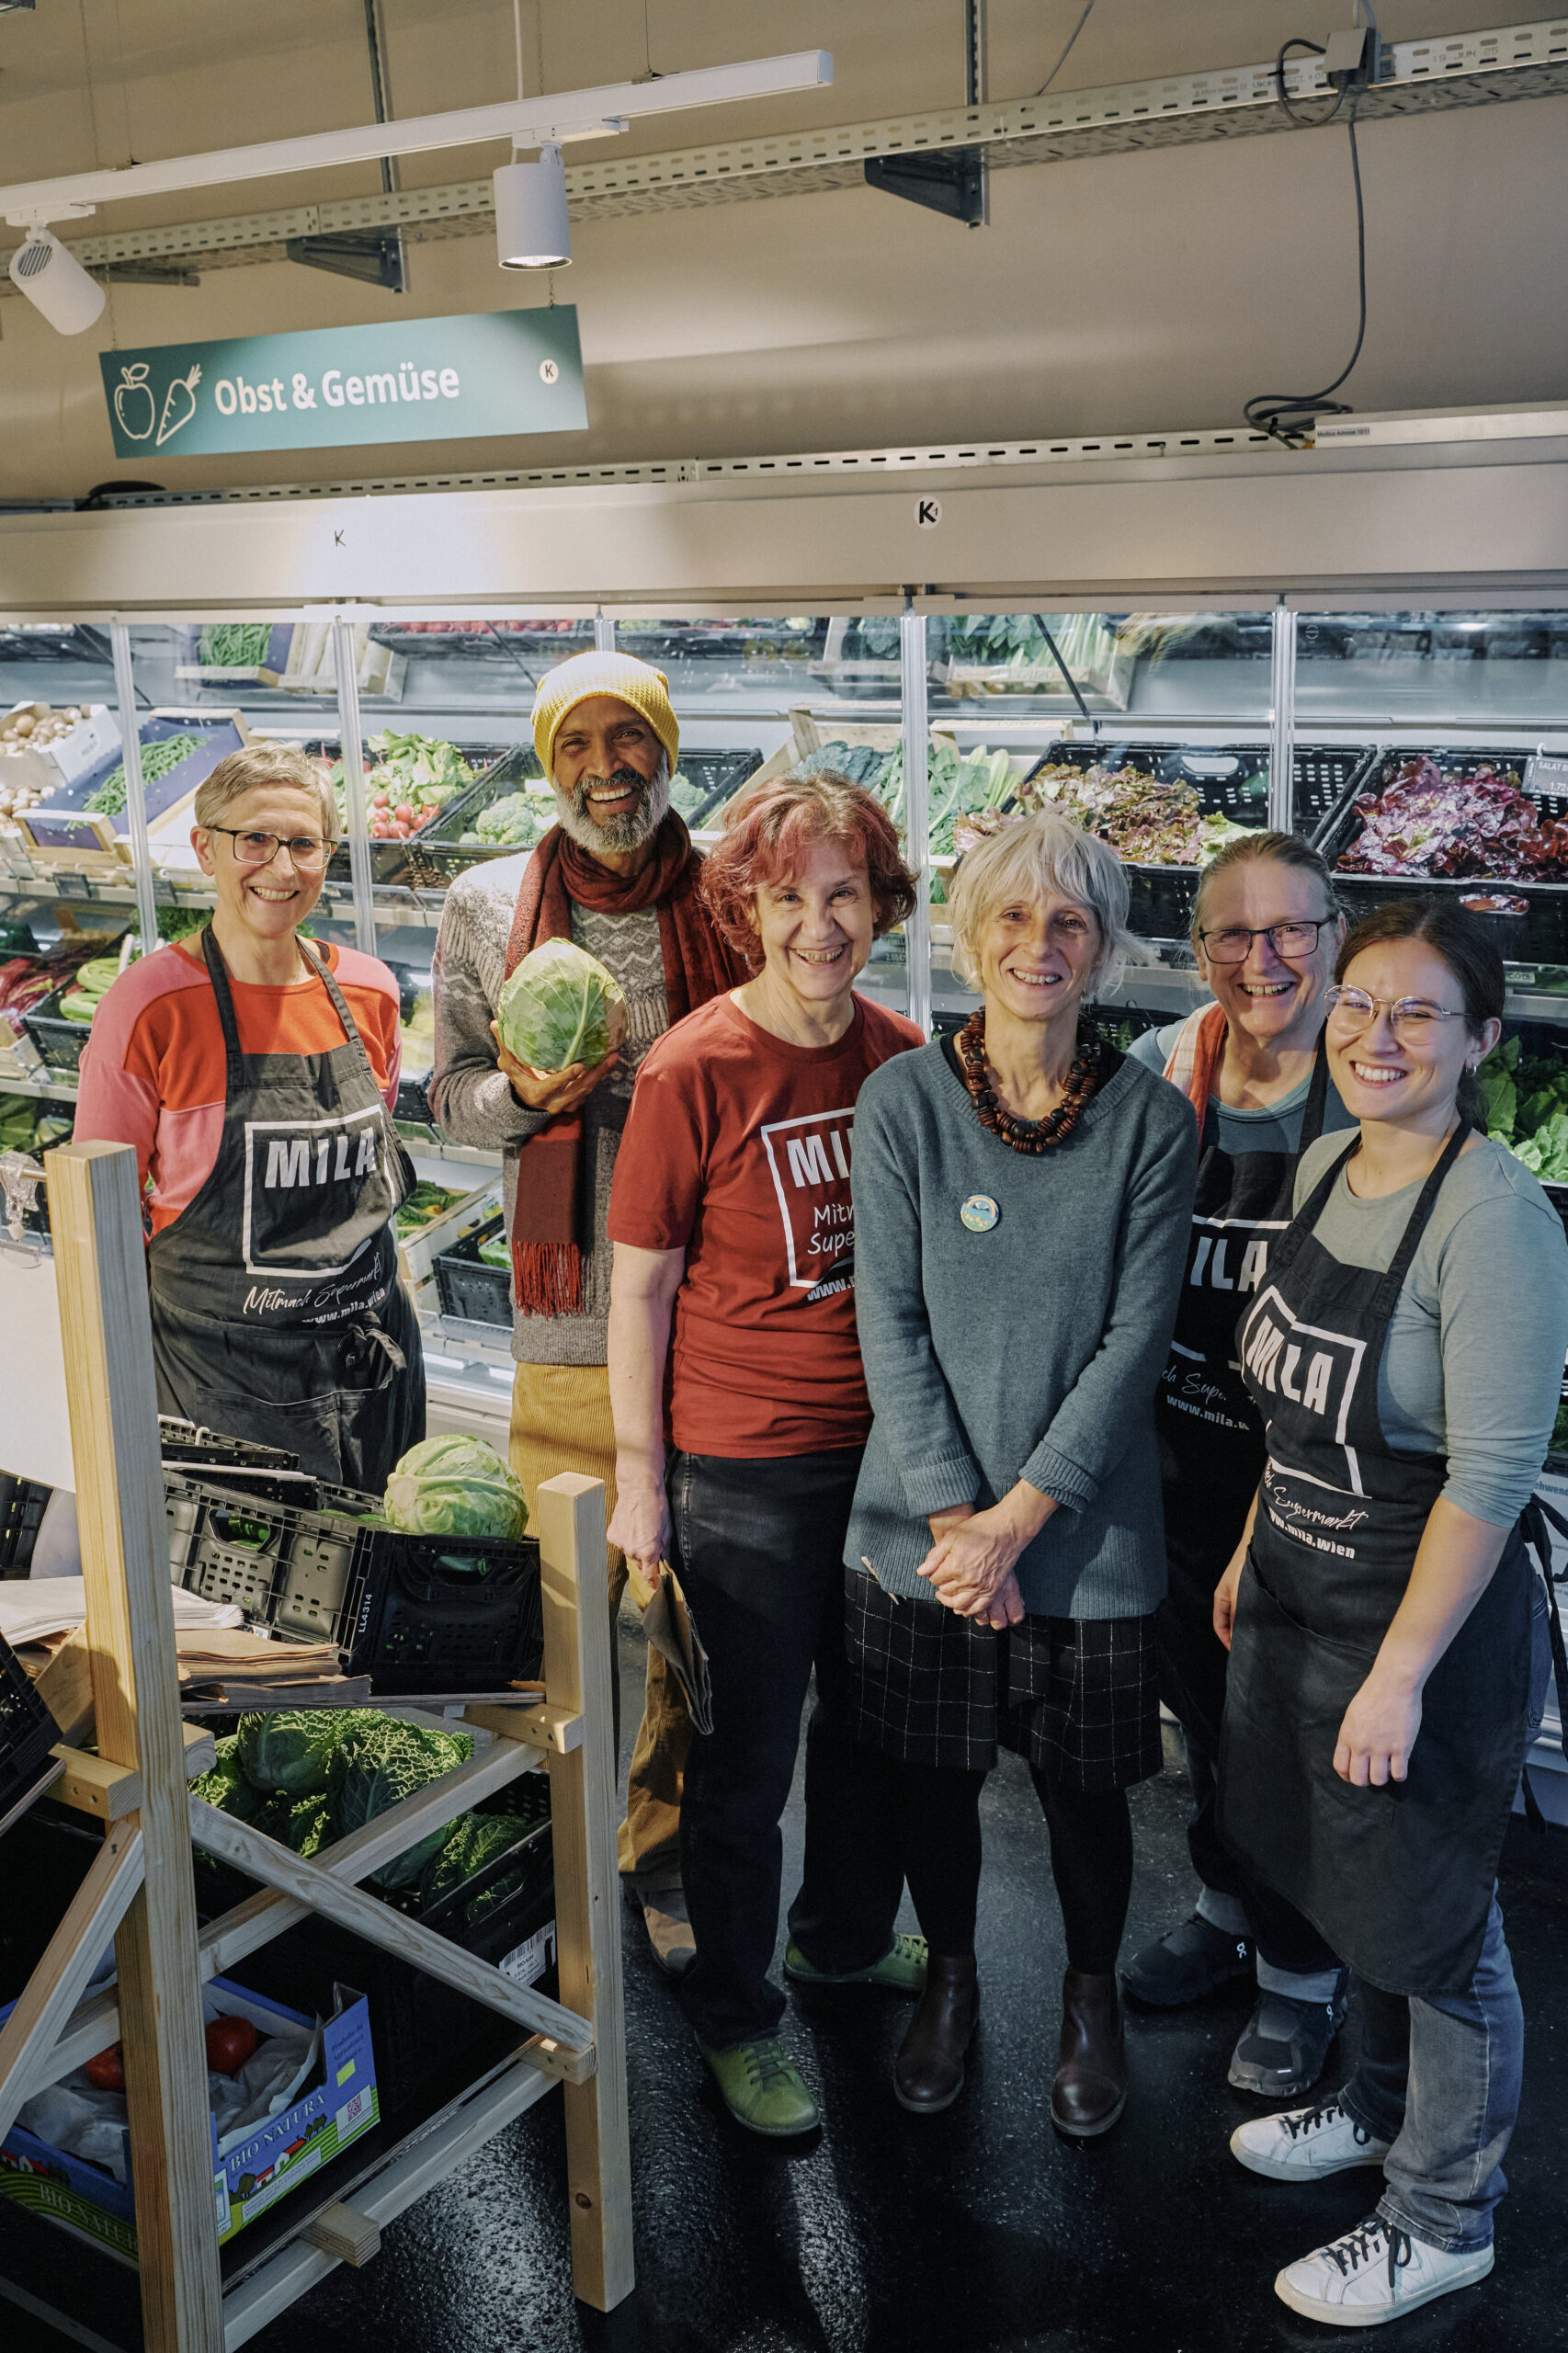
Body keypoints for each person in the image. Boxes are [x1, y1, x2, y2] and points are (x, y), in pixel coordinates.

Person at [1217, 898, 1568, 2327]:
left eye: (1416, 1012)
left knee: (1436, 1917)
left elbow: (1488, 1476)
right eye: (1356, 1004)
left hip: (1420, 1625)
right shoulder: (1317, 1167)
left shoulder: (1495, 1220)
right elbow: (1291, 1417)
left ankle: (1443, 2212)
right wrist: (1249, 1547)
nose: (1373, 1035)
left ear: (1480, 1038)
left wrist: (1400, 1674)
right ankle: (1371, 2109)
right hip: (1305, 1591)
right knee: (1339, 1876)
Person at [842, 811, 1197, 2127]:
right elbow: (889, 1320)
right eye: (1009, 915)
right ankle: (952, 1982)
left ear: (1102, 951)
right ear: (965, 930)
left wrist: (1016, 1524)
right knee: (930, 1781)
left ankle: (1086, 1997)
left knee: (1086, 1795)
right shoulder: (903, 1105)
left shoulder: (1151, 1123)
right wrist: (958, 1520)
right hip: (920, 1531)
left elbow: (1131, 1343)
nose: (1034, 946)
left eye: (1068, 921)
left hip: (1086, 1541)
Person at [605, 770, 923, 2138]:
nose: (817, 924)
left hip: (888, 1465)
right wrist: (640, 1478)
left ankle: (839, 1940)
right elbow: (641, 1286)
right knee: (739, 1762)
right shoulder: (694, 1066)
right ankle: (736, 2012)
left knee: (874, 1734)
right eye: (787, 895)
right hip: (742, 1466)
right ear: (744, 910)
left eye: (843, 892)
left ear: (882, 905)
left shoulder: (904, 1057)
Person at [429, 650, 745, 1975]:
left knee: (690, 1634)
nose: (606, 770)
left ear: (665, 751)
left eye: (631, 741)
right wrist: (533, 1101)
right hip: (566, 1320)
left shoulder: (732, 886)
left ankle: (659, 1864)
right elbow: (445, 1098)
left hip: (720, 1317)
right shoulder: (484, 898)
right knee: (564, 1625)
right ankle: (554, 1864)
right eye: (577, 745)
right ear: (545, 757)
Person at [1120, 832, 1361, 2100]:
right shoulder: (1176, 1064)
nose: (1261, 960)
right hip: (1178, 1457)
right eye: (1232, 933)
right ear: (1197, 945)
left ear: (1334, 936)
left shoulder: (1363, 1073)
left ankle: (1299, 1979)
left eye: (1289, 931)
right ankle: (1224, 1911)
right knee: (1204, 1720)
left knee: (1288, 1741)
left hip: (1310, 1480)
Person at [75, 745, 424, 1490]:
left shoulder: (370, 991)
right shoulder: (148, 1008)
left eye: (305, 844)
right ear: (205, 848)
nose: (282, 867)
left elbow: (370, 1173)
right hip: (220, 1389)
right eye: (254, 840)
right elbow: (99, 1225)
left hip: (370, 1365)